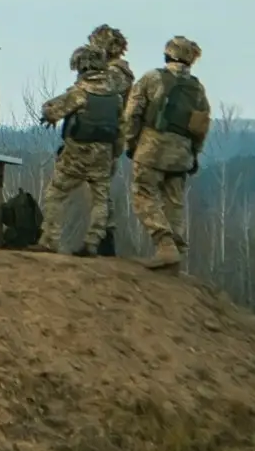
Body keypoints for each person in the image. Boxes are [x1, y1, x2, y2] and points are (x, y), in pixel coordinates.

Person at [121, 35, 211, 271]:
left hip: (151, 147)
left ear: (168, 55)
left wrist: (130, 143)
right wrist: (195, 153)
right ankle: (175, 258)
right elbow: (201, 126)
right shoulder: (197, 88)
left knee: (143, 195)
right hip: (182, 153)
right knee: (175, 202)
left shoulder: (152, 79)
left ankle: (165, 245)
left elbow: (131, 114)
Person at [32, 44, 124, 256]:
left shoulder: (79, 93)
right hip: (103, 154)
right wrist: (113, 155)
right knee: (100, 199)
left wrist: (49, 114)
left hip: (76, 154)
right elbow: (121, 129)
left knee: (56, 193)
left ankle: (49, 240)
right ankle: (92, 243)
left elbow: (52, 110)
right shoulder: (115, 97)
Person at [86, 25, 133, 256]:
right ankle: (102, 235)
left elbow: (102, 93)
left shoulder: (117, 73)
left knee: (99, 187)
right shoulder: (110, 71)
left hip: (107, 136)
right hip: (97, 134)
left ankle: (105, 239)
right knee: (97, 187)